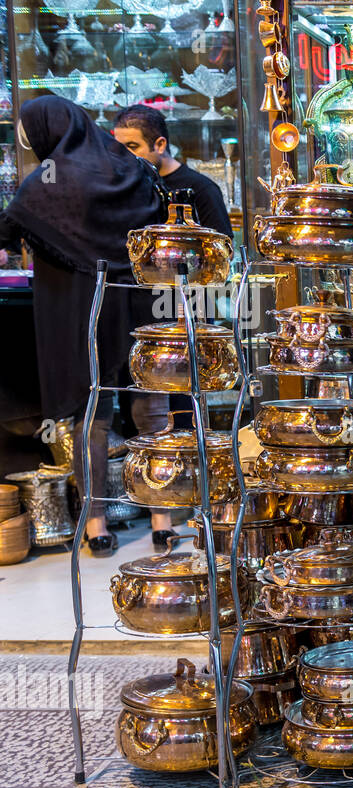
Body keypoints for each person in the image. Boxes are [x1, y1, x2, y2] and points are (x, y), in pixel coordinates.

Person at [0, 95, 168, 556]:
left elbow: (6, 230)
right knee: (150, 409)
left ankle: (96, 523)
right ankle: (163, 515)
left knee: (91, 415)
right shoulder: (132, 169)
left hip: (81, 311)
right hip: (139, 304)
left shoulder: (47, 181)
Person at [112, 104, 233, 237]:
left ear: (160, 145)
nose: (124, 155)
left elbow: (224, 249)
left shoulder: (202, 189)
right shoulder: (127, 183)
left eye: (132, 146)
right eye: (119, 148)